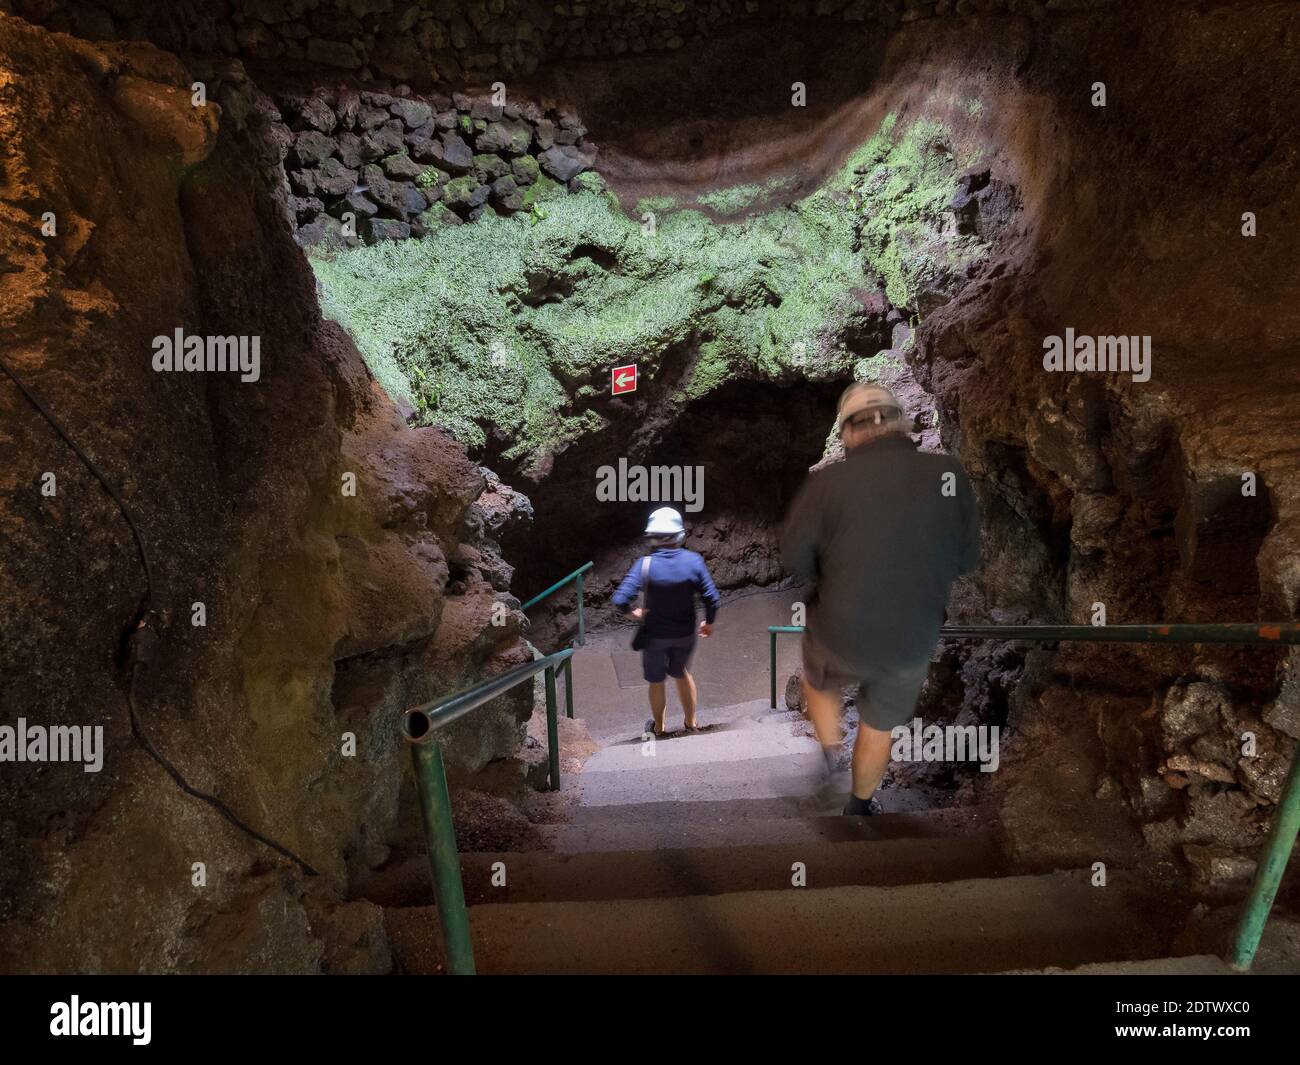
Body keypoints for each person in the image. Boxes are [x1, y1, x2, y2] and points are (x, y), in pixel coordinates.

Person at [781, 382, 981, 815]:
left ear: (848, 433)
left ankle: (829, 753)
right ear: (901, 424)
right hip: (912, 634)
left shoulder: (829, 482)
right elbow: (966, 558)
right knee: (880, 720)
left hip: (841, 627)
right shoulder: (947, 472)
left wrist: (829, 578)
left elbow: (796, 558)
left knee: (819, 675)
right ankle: (859, 807)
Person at [612, 507, 721, 736]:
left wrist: (634, 613)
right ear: (679, 534)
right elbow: (712, 598)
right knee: (681, 672)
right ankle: (691, 723)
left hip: (654, 636)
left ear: (652, 536)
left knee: (656, 681)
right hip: (684, 634)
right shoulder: (693, 561)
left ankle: (659, 728)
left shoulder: (645, 565)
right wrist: (708, 623)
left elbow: (621, 599)